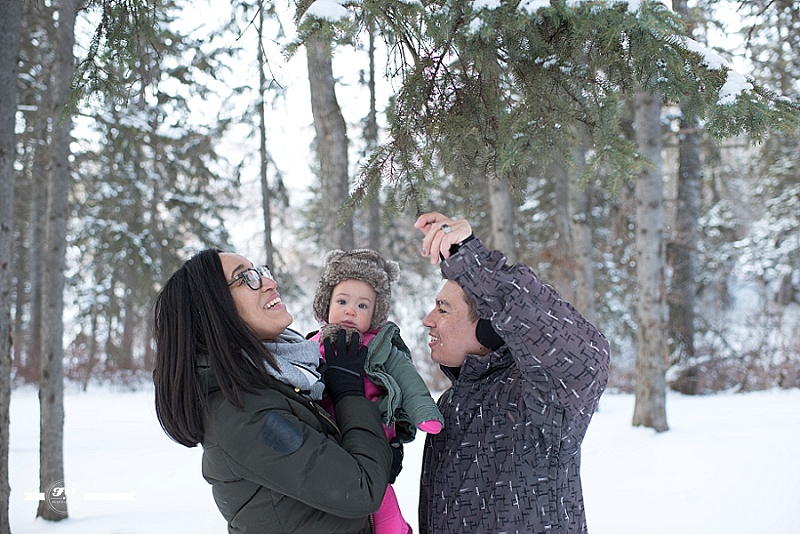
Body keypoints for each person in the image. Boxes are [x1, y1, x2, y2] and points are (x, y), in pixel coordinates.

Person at [153, 249, 393, 534]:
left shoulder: (283, 376)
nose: (269, 282)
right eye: (245, 278)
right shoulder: (244, 415)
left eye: (260, 271)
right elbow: (360, 489)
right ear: (215, 311)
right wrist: (350, 395)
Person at [414, 212, 611, 534]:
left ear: (490, 326)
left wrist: (471, 260)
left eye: (443, 308)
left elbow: (586, 355)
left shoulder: (537, 398)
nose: (427, 319)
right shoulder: (454, 400)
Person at [310, 248, 444, 534]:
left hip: (373, 441)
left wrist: (424, 412)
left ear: (375, 313)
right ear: (326, 304)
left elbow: (409, 381)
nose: (350, 310)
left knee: (381, 501)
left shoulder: (381, 348)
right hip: (328, 442)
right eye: (342, 301)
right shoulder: (311, 346)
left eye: (362, 306)